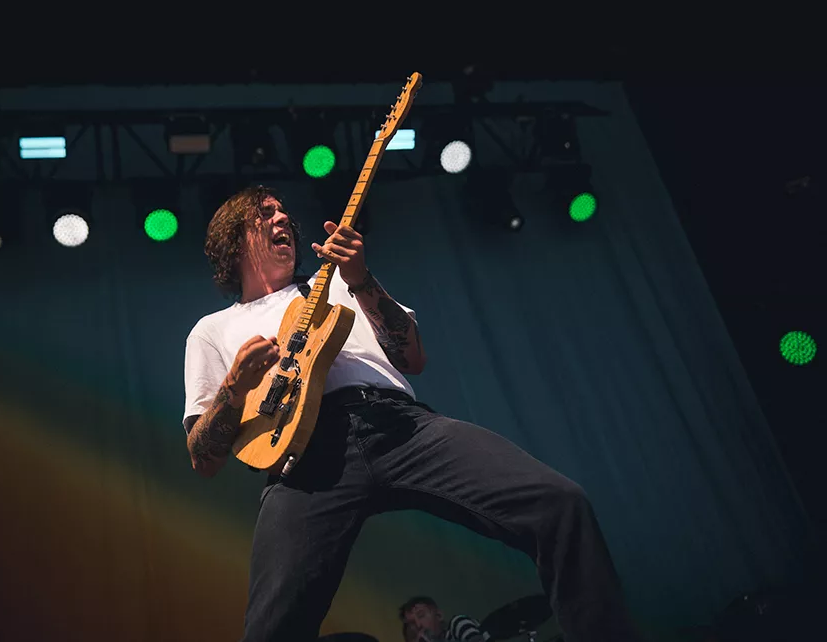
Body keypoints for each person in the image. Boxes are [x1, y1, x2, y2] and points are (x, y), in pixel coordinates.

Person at [183, 185, 642, 642]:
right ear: (234, 239)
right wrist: (234, 388)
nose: (282, 218)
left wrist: (360, 278)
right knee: (272, 627)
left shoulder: (337, 281)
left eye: (284, 212)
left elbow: (412, 357)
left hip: (398, 426)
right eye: (265, 214)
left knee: (559, 502)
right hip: (303, 462)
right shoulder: (212, 331)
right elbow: (203, 458)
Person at [399, 596, 483, 641]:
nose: (418, 625)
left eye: (421, 615)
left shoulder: (457, 623)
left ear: (438, 615)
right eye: (413, 624)